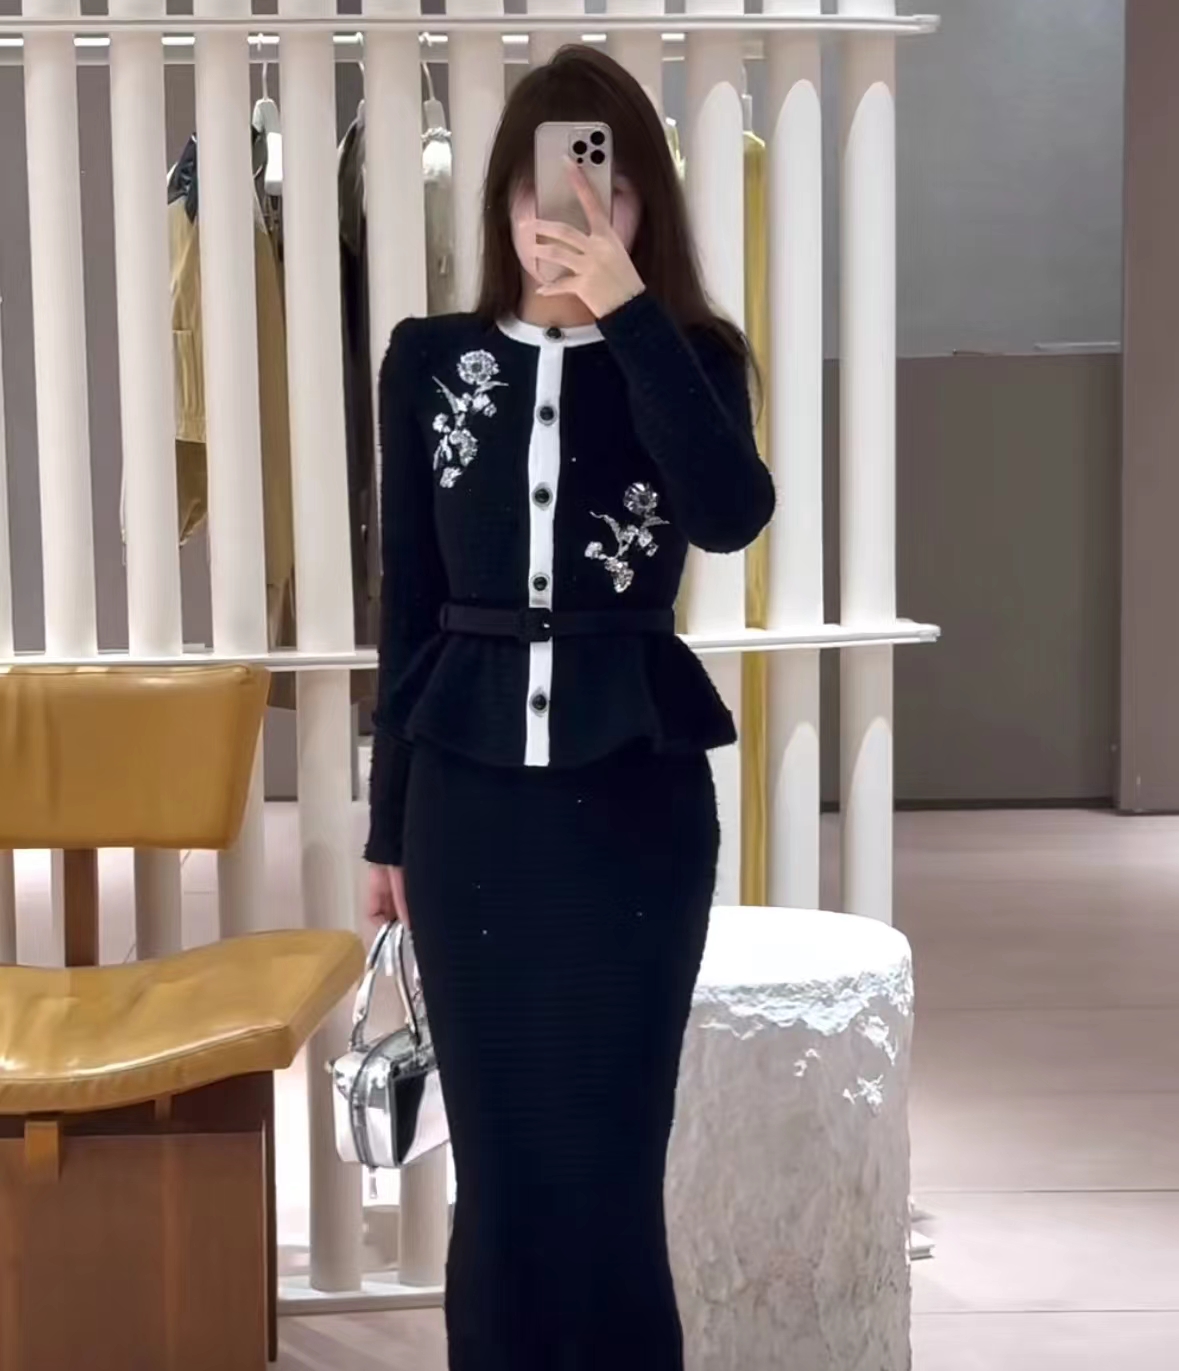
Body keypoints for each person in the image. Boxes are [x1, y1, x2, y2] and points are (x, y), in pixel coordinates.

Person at [365, 45, 775, 1371]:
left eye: (608, 188)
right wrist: (387, 831)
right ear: (502, 201)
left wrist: (629, 312)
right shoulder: (429, 362)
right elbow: (409, 601)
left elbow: (730, 515)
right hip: (467, 809)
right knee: (501, 1178)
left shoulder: (690, 357)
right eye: (542, 186)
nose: (572, 214)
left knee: (610, 1171)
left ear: (646, 203)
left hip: (634, 809)